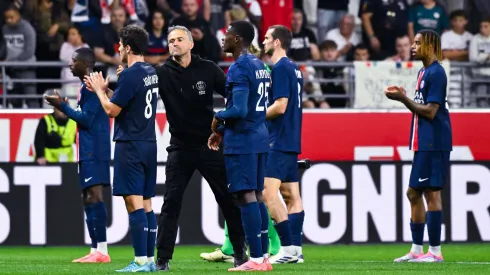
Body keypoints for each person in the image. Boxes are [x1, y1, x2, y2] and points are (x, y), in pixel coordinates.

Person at [152, 25, 248, 271]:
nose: (175, 43)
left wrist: (223, 124)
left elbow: (234, 95)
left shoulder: (207, 69)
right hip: (180, 147)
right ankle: (162, 259)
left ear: (191, 43)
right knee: (171, 202)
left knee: (228, 199)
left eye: (179, 39)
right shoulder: (162, 73)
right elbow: (135, 91)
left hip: (209, 144)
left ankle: (240, 253)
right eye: (171, 40)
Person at [84, 25, 159, 272]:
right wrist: (109, 91)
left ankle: (139, 261)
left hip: (131, 143)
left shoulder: (130, 73)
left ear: (128, 48)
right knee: (147, 203)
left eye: (119, 45)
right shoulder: (150, 71)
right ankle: (148, 260)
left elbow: (112, 110)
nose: (117, 49)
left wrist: (98, 91)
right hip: (149, 143)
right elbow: (129, 100)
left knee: (133, 201)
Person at [208, 20, 272, 272]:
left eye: (226, 34)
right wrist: (222, 132)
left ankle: (254, 258)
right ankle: (264, 256)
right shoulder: (261, 66)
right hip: (259, 136)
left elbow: (240, 109)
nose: (223, 38)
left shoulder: (238, 68)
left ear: (237, 39)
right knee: (256, 196)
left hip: (243, 141)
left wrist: (218, 117)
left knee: (245, 196)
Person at [384, 29, 451, 263]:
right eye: (413, 42)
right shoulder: (423, 71)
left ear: (431, 46)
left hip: (434, 141)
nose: (413, 46)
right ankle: (416, 249)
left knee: (431, 193)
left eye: (418, 43)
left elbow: (431, 112)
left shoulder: (436, 73)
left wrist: (403, 100)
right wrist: (405, 97)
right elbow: (422, 106)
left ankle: (434, 251)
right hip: (423, 141)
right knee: (413, 193)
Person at [43, 48, 111, 263]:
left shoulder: (92, 86)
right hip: (86, 149)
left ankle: (102, 250)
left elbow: (88, 120)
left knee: (95, 196)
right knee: (87, 197)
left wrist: (62, 106)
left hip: (95, 149)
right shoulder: (86, 86)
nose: (70, 64)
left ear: (85, 63)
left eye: (74, 61)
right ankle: (94, 249)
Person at [262, 24, 305, 264]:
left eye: (268, 38)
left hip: (277, 140)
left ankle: (287, 249)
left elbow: (280, 106)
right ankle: (296, 250)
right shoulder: (295, 69)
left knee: (268, 194)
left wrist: (256, 117)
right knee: (291, 195)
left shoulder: (279, 68)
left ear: (277, 42)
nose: (264, 41)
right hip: (292, 138)